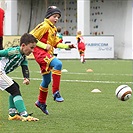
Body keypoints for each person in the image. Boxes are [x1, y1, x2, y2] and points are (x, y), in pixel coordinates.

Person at [30, 6, 76, 115]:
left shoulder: (53, 28)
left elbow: (56, 43)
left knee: (46, 80)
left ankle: (41, 102)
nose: (56, 19)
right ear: (48, 16)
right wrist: (43, 45)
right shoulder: (44, 26)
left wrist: (67, 46)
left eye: (58, 17)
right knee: (58, 64)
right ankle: (56, 92)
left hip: (46, 54)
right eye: (54, 16)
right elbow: (31, 37)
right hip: (40, 54)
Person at [0, 33, 39, 121]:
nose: (32, 50)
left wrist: (26, 78)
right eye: (31, 47)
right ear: (23, 45)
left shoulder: (23, 57)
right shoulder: (13, 51)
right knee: (14, 89)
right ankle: (24, 115)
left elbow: (25, 68)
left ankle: (12, 113)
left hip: (2, 73)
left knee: (15, 87)